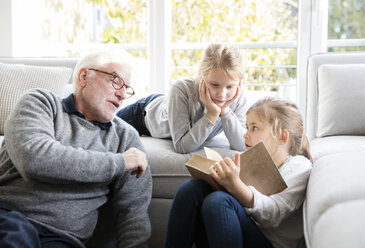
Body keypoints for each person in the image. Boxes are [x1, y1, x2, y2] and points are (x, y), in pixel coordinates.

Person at [0, 49, 152, 248]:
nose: (123, 94)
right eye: (116, 81)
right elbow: (35, 160)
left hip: (63, 239)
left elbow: (133, 214)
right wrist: (119, 162)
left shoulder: (126, 137)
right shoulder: (40, 103)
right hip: (10, 218)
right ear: (84, 76)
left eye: (127, 88)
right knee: (17, 239)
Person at [166, 97, 313, 248]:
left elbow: (272, 215)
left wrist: (235, 186)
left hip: (270, 243)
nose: (245, 134)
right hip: (236, 234)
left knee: (218, 201)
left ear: (283, 137)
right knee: (193, 188)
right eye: (247, 127)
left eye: (254, 128)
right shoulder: (253, 160)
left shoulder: (299, 167)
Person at [117, 43, 250, 154]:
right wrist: (211, 115)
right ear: (201, 76)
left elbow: (242, 145)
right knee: (101, 129)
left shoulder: (239, 96)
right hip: (143, 114)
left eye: (230, 87)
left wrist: (225, 111)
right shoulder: (180, 89)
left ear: (239, 83)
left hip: (169, 106)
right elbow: (182, 147)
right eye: (215, 85)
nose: (222, 94)